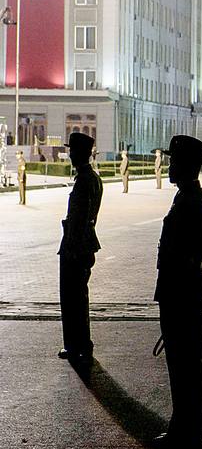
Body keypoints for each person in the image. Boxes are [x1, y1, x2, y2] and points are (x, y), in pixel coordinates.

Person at [154, 135, 202, 449]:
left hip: (183, 292)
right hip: (183, 290)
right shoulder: (189, 197)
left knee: (185, 363)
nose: (168, 166)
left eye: (173, 161)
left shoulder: (190, 201)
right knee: (185, 363)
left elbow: (182, 255)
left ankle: (187, 431)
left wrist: (173, 296)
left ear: (185, 165)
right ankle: (187, 427)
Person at [57, 132, 103, 362]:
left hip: (76, 246)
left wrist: (71, 247)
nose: (70, 155)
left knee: (72, 298)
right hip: (83, 244)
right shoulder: (92, 178)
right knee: (78, 297)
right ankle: (80, 343)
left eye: (72, 151)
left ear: (79, 153)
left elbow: (81, 217)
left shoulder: (85, 180)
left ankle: (76, 345)